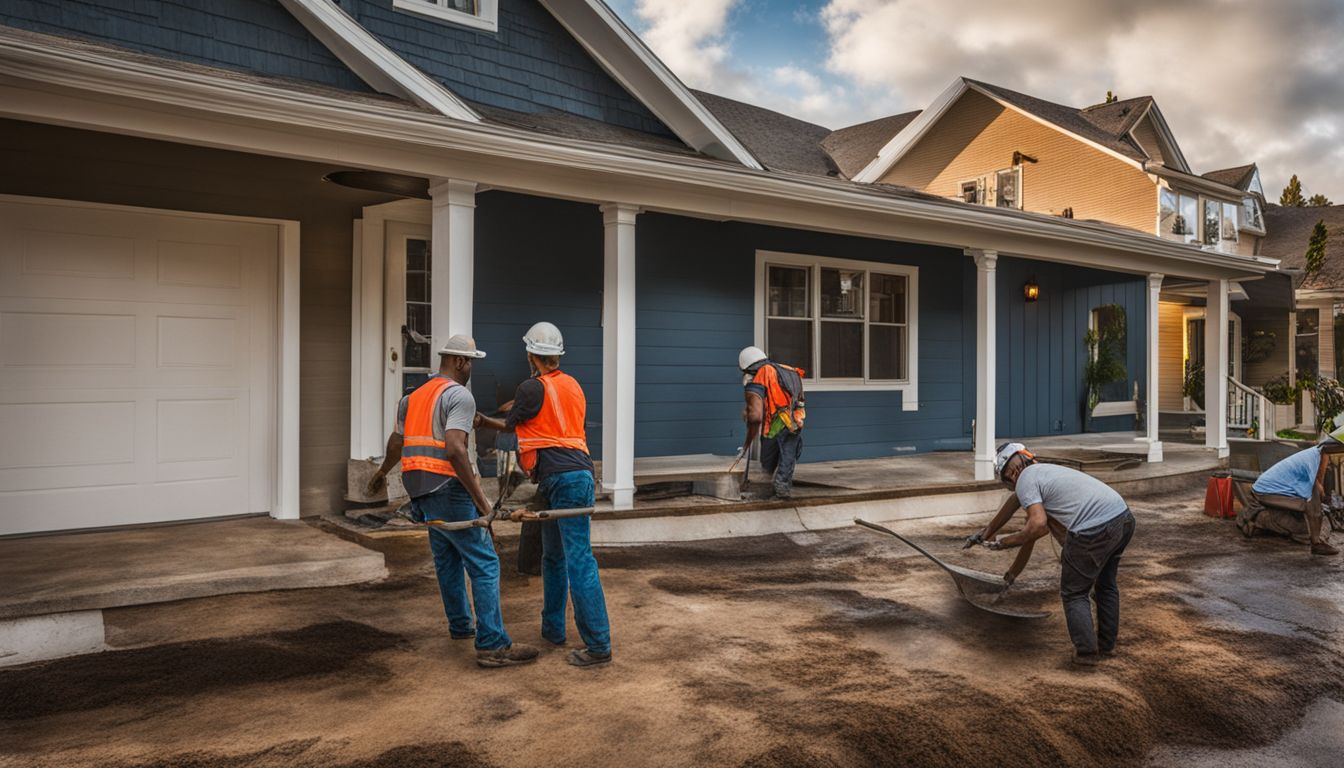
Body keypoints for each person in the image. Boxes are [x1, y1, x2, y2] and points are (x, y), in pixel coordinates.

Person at [367, 335, 539, 669]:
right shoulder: (459, 396)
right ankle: (492, 644)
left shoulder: (412, 397)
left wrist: (382, 472)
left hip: (420, 488)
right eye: (471, 361)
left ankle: (461, 625)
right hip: (448, 486)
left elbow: (396, 441)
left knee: (447, 558)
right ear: (460, 362)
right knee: (485, 563)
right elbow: (456, 449)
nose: (472, 368)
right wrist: (482, 503)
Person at [477, 322, 612, 667]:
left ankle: (598, 646)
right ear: (557, 356)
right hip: (576, 475)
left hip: (561, 479)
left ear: (530, 354)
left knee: (578, 559)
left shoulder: (530, 388)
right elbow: (547, 421)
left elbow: (510, 427)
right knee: (555, 556)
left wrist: (482, 420)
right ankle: (553, 630)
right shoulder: (572, 386)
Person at [964, 442, 1136, 667]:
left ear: (1010, 474)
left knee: (1074, 593)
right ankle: (1106, 646)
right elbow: (1016, 509)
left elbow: (1037, 527)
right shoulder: (1043, 475)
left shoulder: (1026, 480)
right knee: (1106, 586)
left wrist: (1004, 542)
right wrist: (987, 532)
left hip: (1094, 529)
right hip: (1123, 519)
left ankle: (1086, 654)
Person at [1237, 427, 1342, 556]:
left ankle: (1315, 541)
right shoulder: (1312, 460)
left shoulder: (1314, 453)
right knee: (1310, 510)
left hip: (1264, 490)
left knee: (1315, 512)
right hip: (1263, 493)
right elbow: (1312, 502)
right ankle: (1316, 544)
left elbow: (1316, 490)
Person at [737, 346, 806, 499]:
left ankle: (773, 490)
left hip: (775, 423)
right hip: (795, 420)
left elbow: (755, 407)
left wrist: (748, 413)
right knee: (787, 455)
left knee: (768, 460)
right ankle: (780, 488)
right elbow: (799, 397)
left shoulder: (763, 373)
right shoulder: (788, 370)